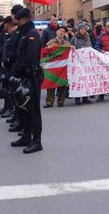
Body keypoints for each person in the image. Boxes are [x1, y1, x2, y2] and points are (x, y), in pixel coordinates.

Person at [10, 8, 43, 154]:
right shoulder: (24, 33)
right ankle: (26, 136)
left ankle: (37, 141)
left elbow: (29, 57)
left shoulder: (32, 34)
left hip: (32, 75)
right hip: (24, 75)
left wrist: (17, 70)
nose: (17, 22)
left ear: (25, 19)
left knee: (33, 109)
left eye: (19, 20)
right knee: (24, 107)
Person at [44, 25, 70, 108]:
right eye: (60, 31)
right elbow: (45, 53)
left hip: (62, 67)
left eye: (63, 31)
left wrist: (72, 48)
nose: (61, 32)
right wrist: (49, 48)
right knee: (51, 84)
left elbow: (70, 53)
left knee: (62, 84)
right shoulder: (50, 42)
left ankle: (61, 101)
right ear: (56, 32)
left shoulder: (67, 43)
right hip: (53, 67)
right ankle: (49, 101)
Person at [70, 22, 93, 105]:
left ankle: (85, 98)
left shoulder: (87, 37)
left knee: (85, 80)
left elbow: (90, 46)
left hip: (86, 62)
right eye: (81, 29)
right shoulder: (74, 38)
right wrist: (75, 48)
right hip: (77, 62)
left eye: (84, 29)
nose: (83, 31)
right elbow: (71, 46)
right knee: (78, 79)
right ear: (79, 29)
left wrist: (86, 48)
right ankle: (77, 98)